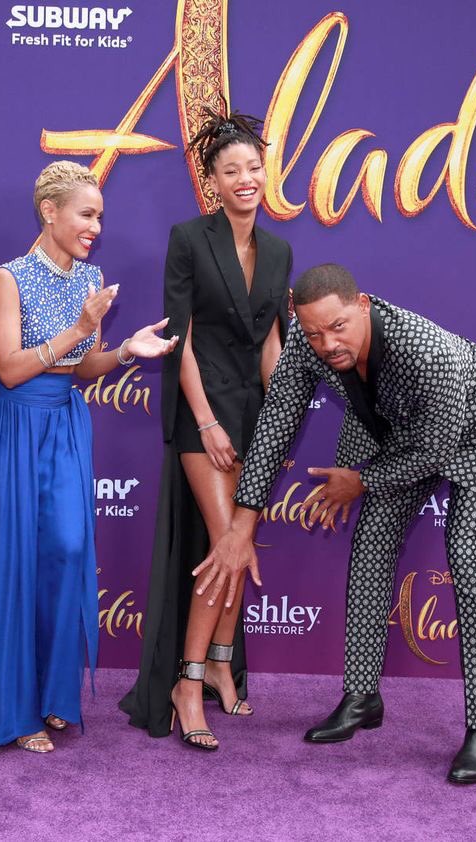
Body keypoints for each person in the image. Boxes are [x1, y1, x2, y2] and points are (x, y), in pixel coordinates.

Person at [196, 263, 476, 782]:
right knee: (372, 542)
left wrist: (361, 480)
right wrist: (242, 524)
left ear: (363, 305)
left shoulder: (425, 350)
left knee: (467, 555)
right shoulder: (307, 342)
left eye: (337, 327)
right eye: (314, 332)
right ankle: (361, 698)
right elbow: (276, 425)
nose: (327, 344)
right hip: (406, 431)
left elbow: (434, 450)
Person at [0, 160, 178, 753]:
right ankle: (12, 709)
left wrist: (125, 350)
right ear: (50, 212)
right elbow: (9, 368)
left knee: (67, 550)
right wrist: (78, 329)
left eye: (100, 216)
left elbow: (84, 368)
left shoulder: (89, 277)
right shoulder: (9, 277)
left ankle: (50, 692)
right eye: (86, 214)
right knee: (12, 561)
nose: (96, 227)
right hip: (8, 426)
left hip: (63, 426)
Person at [119, 105, 292, 749]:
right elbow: (181, 338)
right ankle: (186, 684)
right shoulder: (189, 238)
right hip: (203, 411)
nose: (246, 179)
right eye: (231, 170)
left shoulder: (279, 251)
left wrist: (278, 420)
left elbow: (270, 340)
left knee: (239, 549)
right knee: (226, 546)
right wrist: (207, 421)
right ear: (213, 181)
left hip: (254, 415)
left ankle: (220, 663)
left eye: (253, 167)